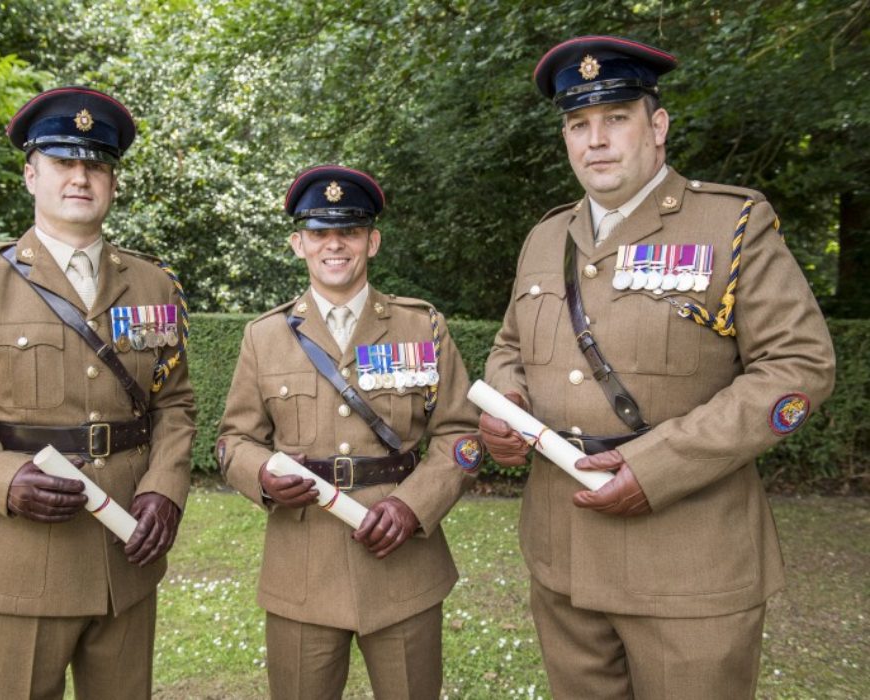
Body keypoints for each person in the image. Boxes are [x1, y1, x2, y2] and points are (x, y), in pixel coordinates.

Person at [480, 36, 835, 699]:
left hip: (688, 563)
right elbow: (511, 346)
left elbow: (798, 366)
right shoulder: (545, 238)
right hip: (565, 556)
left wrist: (660, 464)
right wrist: (507, 396)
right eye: (579, 124)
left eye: (616, 118)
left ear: (658, 126)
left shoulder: (731, 222)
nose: (597, 140)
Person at [0, 86, 197, 700]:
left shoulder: (153, 283)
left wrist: (165, 490)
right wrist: (2, 479)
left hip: (126, 554)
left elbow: (173, 404)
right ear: (31, 175)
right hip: (19, 557)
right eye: (65, 162)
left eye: (96, 165)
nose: (81, 178)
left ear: (112, 183)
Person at [217, 164, 483, 699]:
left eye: (350, 232)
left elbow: (461, 435)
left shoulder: (421, 326)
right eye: (318, 233)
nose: (333, 246)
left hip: (402, 560)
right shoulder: (264, 337)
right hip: (303, 562)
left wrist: (414, 506)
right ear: (298, 244)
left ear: (373, 241)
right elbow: (231, 441)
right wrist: (263, 475)